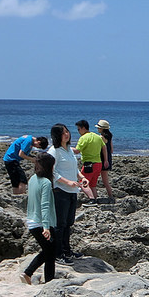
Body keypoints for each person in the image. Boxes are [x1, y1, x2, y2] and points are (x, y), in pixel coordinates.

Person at [48, 123, 89, 265]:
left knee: (69, 223)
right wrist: (66, 182)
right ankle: (58, 254)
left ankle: (67, 250)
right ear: (56, 135)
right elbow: (52, 172)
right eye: (63, 132)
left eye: (67, 131)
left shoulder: (69, 150)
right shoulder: (54, 151)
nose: (67, 134)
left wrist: (82, 177)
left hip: (72, 191)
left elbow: (74, 168)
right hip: (60, 191)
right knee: (60, 223)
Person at [21, 152, 58, 285]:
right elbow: (45, 206)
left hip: (31, 221)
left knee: (48, 251)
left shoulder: (32, 179)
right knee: (51, 253)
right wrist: (46, 227)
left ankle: (28, 273)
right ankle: (48, 281)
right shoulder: (46, 183)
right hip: (41, 223)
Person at [75, 119, 105, 206]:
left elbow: (77, 151)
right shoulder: (97, 136)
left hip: (89, 164)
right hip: (99, 163)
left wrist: (66, 149)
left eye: (78, 129)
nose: (78, 131)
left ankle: (92, 199)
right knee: (93, 184)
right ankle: (95, 199)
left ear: (83, 128)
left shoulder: (84, 138)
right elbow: (104, 148)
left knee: (82, 182)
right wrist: (106, 160)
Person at [96, 119, 114, 202]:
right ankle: (110, 196)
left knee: (104, 180)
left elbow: (104, 149)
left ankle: (111, 197)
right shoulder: (109, 136)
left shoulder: (101, 137)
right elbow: (111, 150)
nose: (97, 129)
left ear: (102, 128)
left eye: (99, 127)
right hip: (108, 158)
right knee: (105, 180)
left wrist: (105, 160)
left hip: (103, 159)